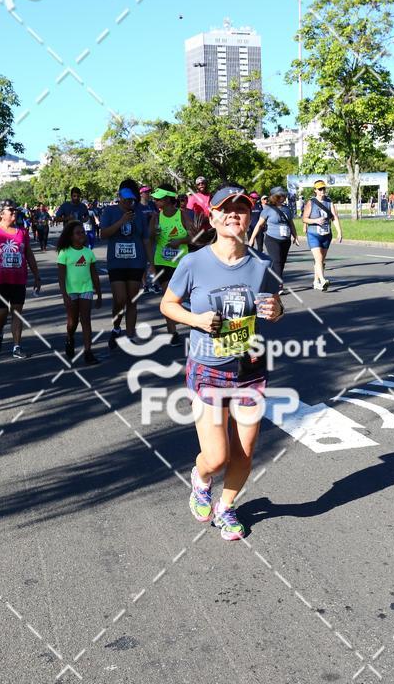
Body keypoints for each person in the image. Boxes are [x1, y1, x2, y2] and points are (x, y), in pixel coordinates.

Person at [160, 185, 284, 541]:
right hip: (208, 368)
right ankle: (201, 481)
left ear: (249, 218)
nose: (233, 215)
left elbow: (272, 307)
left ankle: (226, 507)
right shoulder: (193, 262)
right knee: (216, 457)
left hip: (250, 367)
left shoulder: (262, 264)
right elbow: (168, 305)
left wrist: (277, 311)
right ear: (212, 217)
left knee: (244, 453)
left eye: (241, 209)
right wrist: (196, 320)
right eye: (225, 209)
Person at [0, 199, 41, 358]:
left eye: (15, 210)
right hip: (0, 280)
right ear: (1, 214)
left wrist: (37, 276)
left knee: (17, 313)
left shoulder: (22, 232)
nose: (14, 212)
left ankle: (16, 347)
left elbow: (29, 254)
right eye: (11, 210)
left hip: (19, 280)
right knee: (1, 313)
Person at [101, 185, 153, 347]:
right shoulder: (110, 212)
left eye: (132, 200)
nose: (129, 203)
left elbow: (145, 239)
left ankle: (130, 335)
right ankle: (116, 327)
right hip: (116, 263)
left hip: (135, 262)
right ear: (119, 197)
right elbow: (103, 234)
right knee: (120, 299)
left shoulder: (138, 214)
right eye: (126, 200)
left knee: (132, 300)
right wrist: (121, 221)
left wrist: (151, 263)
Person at [149, 185, 193, 345]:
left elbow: (194, 236)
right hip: (162, 262)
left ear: (168, 199)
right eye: (155, 198)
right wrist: (151, 264)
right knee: (168, 297)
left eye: (158, 199)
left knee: (183, 298)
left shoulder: (181, 215)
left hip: (182, 263)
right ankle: (172, 332)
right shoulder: (155, 217)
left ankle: (194, 325)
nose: (155, 201)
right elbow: (149, 240)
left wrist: (180, 241)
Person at [57, 220, 101, 365]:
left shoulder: (88, 253)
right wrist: (64, 295)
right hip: (71, 291)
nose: (82, 235)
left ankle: (88, 352)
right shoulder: (64, 253)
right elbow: (61, 276)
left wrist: (99, 293)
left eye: (83, 232)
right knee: (73, 321)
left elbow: (94, 274)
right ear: (71, 236)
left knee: (86, 320)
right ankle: (70, 337)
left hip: (86, 289)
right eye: (78, 233)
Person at [248, 186, 299, 285]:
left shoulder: (287, 209)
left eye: (284, 195)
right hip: (272, 239)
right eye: (281, 195)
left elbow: (291, 223)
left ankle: (272, 280)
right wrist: (252, 239)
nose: (283, 197)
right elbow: (259, 224)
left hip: (285, 240)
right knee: (277, 261)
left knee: (282, 262)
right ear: (275, 197)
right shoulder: (268, 209)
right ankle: (279, 284)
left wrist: (295, 236)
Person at [302, 180, 343, 291]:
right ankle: (323, 280)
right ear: (315, 190)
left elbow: (334, 217)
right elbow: (304, 218)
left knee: (320, 260)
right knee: (318, 258)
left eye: (323, 188)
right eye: (320, 189)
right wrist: (315, 220)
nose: (322, 191)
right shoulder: (311, 202)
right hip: (313, 234)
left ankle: (316, 281)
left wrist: (339, 232)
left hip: (326, 234)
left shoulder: (329, 202)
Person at [187, 176, 214, 249]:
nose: (201, 185)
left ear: (206, 184)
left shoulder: (212, 196)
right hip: (198, 231)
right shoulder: (193, 198)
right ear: (196, 186)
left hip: (211, 229)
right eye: (198, 184)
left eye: (202, 183)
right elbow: (188, 214)